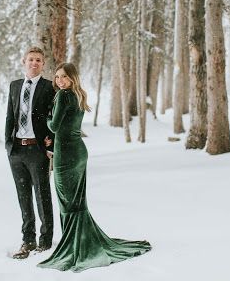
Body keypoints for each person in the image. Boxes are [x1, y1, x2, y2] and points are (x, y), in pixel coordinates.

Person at [38, 62, 152, 273]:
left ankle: (74, 246)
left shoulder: (64, 95)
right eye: (57, 77)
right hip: (78, 152)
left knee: (67, 202)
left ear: (72, 77)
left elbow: (54, 126)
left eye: (63, 76)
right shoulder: (78, 94)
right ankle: (78, 241)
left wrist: (46, 115)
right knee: (77, 201)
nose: (59, 80)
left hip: (67, 155)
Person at [5, 46, 55, 259]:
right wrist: (9, 145)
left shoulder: (49, 87)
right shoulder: (15, 86)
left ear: (43, 64)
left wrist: (50, 146)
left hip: (37, 149)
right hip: (17, 149)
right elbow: (10, 116)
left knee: (42, 195)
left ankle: (45, 241)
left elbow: (54, 117)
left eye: (38, 60)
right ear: (24, 61)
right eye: (31, 59)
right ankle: (28, 239)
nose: (34, 63)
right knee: (23, 196)